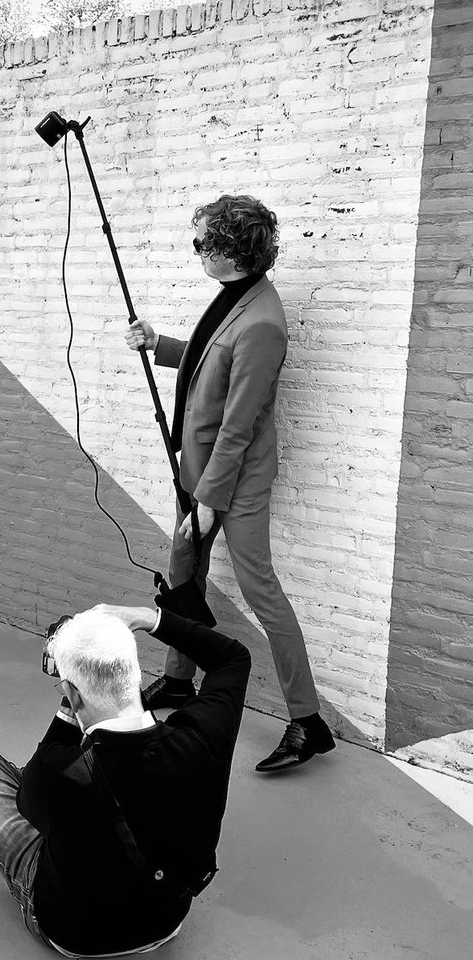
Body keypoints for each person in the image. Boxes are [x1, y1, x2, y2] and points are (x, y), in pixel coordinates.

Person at [125, 194, 335, 773]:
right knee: (182, 575)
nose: (194, 252)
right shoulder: (236, 298)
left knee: (260, 589)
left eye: (200, 243)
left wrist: (211, 503)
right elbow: (206, 363)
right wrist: (157, 344)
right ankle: (175, 683)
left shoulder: (264, 322)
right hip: (197, 472)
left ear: (228, 249)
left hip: (230, 483)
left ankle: (307, 720)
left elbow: (240, 424)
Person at [0, 603, 250, 958]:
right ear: (133, 673)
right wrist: (148, 618)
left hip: (71, 932)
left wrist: (67, 712)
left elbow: (29, 804)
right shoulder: (203, 737)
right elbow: (232, 658)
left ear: (72, 694)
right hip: (166, 919)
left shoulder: (57, 770)